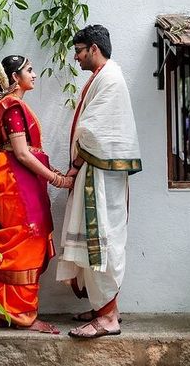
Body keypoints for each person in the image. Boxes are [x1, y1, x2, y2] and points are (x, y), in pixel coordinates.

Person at [0, 55, 73, 334]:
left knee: (21, 245)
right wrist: (57, 178)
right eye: (29, 70)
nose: (35, 74)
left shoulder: (11, 106)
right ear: (15, 78)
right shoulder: (13, 107)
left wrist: (52, 169)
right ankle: (21, 314)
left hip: (16, 183)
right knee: (26, 244)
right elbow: (21, 153)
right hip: (17, 187)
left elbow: (28, 152)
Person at [56, 25, 142, 339]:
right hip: (98, 173)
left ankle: (108, 318)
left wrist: (74, 167)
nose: (76, 58)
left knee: (100, 240)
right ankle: (102, 308)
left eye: (79, 51)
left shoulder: (110, 78)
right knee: (97, 240)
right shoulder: (105, 76)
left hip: (99, 176)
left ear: (93, 48)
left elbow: (93, 132)